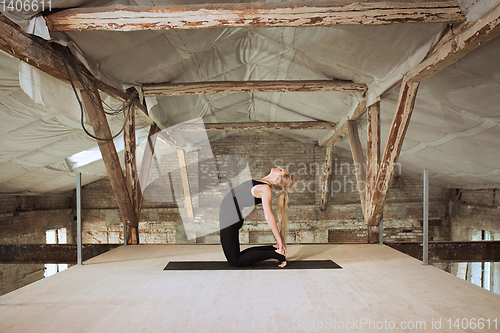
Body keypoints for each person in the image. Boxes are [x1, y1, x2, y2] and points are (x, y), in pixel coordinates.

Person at [219, 166, 296, 267]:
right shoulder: (262, 182)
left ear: (278, 179)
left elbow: (268, 216)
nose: (278, 167)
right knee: (236, 257)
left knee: (235, 261)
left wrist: (279, 239)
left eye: (281, 170)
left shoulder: (265, 189)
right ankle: (275, 250)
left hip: (230, 218)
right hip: (230, 216)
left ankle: (277, 254)